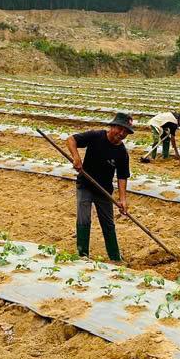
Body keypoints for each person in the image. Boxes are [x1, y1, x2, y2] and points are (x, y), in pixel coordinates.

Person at [66, 112, 133, 262]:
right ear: (112, 126)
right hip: (85, 184)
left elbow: (122, 176)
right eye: (120, 129)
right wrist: (76, 157)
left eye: (126, 132)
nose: (121, 134)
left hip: (104, 191)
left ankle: (115, 258)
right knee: (84, 219)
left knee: (108, 223)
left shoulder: (122, 153)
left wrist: (123, 200)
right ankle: (83, 255)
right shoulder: (96, 136)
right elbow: (71, 140)